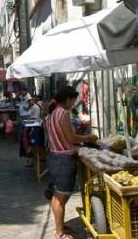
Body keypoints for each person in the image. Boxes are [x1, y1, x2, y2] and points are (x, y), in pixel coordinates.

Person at [46, 86, 98, 239]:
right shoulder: (63, 113)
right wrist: (90, 138)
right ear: (68, 99)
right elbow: (72, 139)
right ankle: (60, 233)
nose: (74, 103)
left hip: (55, 158)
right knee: (61, 197)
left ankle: (59, 226)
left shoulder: (53, 113)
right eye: (73, 100)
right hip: (63, 160)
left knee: (58, 196)